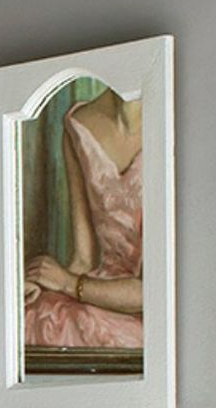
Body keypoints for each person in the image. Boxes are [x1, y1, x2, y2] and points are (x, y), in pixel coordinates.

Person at [23, 87, 145, 353]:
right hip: (99, 286)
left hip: (149, 310)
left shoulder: (172, 120)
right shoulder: (78, 123)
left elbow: (153, 294)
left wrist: (67, 283)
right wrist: (41, 280)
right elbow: (84, 258)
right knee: (38, 316)